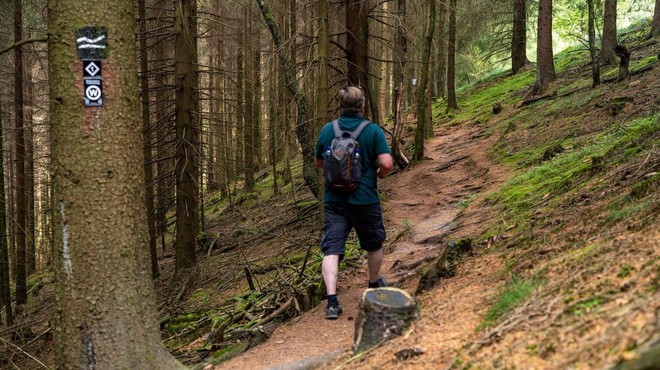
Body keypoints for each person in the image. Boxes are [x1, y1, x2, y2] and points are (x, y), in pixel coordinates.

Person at [314, 86, 394, 320]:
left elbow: (319, 162)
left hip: (334, 199)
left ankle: (331, 302)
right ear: (362, 106)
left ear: (341, 106)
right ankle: (372, 285)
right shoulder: (373, 131)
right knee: (373, 243)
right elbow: (387, 164)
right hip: (365, 198)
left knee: (331, 249)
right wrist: (379, 175)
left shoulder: (328, 130)